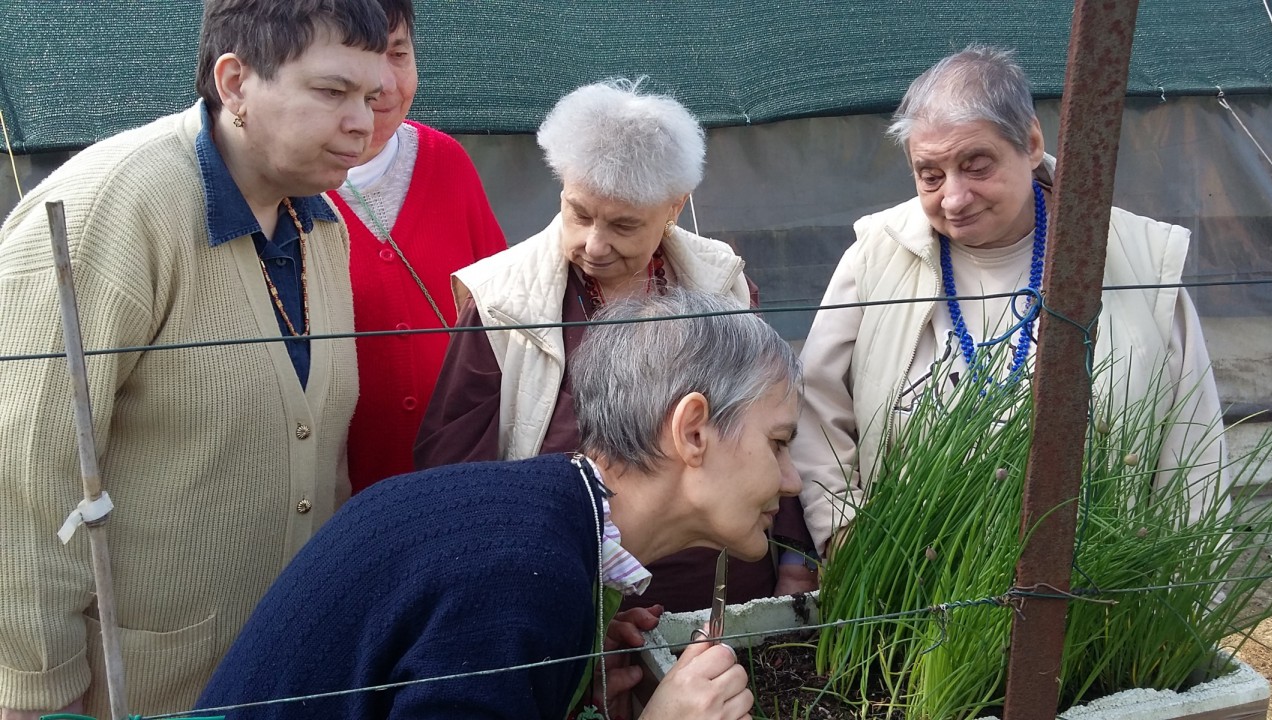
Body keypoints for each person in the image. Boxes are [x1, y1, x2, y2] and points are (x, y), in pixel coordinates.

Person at [0, 2, 387, 718]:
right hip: (132, 693)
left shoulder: (321, 222)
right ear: (235, 82)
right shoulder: (105, 214)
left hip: (280, 675)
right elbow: (21, 477)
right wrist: (33, 693)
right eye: (333, 93)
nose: (363, 123)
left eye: (372, 97)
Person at [198, 289, 794, 719]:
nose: (792, 480)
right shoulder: (520, 574)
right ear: (692, 431)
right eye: (778, 443)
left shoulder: (530, 528)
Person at [793, 45, 1229, 555]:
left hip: (1090, 595)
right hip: (916, 593)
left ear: (1031, 141)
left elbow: (1193, 452)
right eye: (930, 175)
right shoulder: (877, 255)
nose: (953, 199)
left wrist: (1179, 605)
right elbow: (814, 405)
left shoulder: (1140, 257)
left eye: (976, 165)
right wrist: (847, 535)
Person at [414, 78, 818, 613]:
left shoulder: (723, 284)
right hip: (571, 591)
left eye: (625, 225)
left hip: (718, 583)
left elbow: (770, 424)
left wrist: (793, 558)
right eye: (578, 213)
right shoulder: (502, 302)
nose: (594, 244)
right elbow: (452, 471)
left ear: (675, 207)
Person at [327, 0, 507, 494]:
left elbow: (504, 312)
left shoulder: (447, 162)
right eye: (361, 58)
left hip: (456, 480)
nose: (384, 83)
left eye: (398, 54)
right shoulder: (287, 191)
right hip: (334, 500)